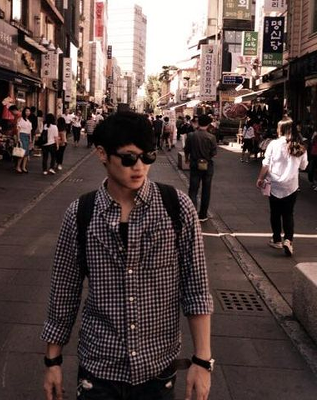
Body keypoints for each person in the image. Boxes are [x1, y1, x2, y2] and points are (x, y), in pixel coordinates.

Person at [41, 111, 214, 400]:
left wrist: (202, 360)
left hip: (158, 369)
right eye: (129, 158)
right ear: (102, 154)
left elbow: (196, 288)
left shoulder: (176, 207)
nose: (140, 167)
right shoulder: (81, 214)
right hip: (99, 370)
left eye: (148, 157)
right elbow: (64, 291)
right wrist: (52, 361)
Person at [256, 119, 308, 256]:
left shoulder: (274, 144)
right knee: (288, 213)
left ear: (280, 129)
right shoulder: (300, 145)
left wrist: (260, 178)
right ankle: (288, 240)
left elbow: (266, 164)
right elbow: (304, 166)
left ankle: (277, 239)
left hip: (275, 184)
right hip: (291, 185)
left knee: (275, 213)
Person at [184, 114, 217, 222]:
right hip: (207, 165)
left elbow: (187, 149)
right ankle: (203, 215)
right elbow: (214, 153)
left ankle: (192, 213)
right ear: (208, 124)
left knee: (193, 189)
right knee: (206, 190)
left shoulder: (191, 135)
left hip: (195, 164)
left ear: (198, 122)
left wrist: (187, 159)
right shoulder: (211, 137)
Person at [16, 107, 32, 173]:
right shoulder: (20, 119)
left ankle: (23, 167)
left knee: (26, 153)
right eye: (26, 111)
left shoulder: (29, 121)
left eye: (29, 111)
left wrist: (30, 139)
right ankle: (18, 166)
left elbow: (30, 131)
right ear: (24, 112)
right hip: (22, 136)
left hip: (27, 136)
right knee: (22, 152)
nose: (28, 112)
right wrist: (18, 138)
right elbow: (18, 129)